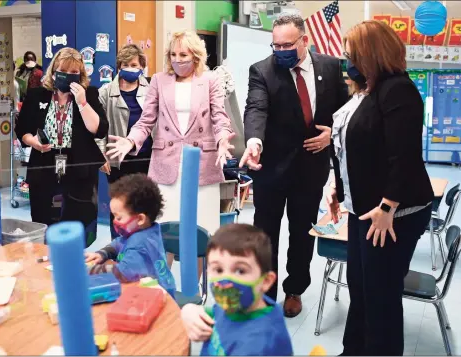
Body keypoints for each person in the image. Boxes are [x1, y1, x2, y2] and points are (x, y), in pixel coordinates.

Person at [325, 20, 434, 356]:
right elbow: (351, 147)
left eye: (351, 55)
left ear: (371, 54)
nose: (347, 62)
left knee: (381, 296)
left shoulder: (397, 89)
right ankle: (353, 350)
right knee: (361, 287)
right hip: (364, 210)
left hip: (393, 214)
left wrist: (388, 208)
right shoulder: (366, 92)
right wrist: (337, 188)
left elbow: (404, 157)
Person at [239, 14, 347, 317]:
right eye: (276, 45)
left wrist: (332, 136)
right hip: (270, 169)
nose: (281, 49)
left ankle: (294, 289)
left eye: (288, 44)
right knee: (265, 235)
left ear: (305, 40)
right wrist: (254, 142)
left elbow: (344, 111)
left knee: (302, 234)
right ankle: (266, 294)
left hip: (311, 168)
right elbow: (256, 108)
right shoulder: (262, 70)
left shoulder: (330, 67)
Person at [106, 30, 235, 280]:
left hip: (202, 165)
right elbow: (146, 120)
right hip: (166, 167)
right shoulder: (158, 81)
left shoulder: (210, 80)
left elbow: (220, 117)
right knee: (164, 233)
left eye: (183, 54)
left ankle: (194, 290)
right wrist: (131, 140)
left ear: (196, 56)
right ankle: (163, 286)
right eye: (173, 54)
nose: (177, 59)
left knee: (200, 234)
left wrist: (222, 139)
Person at [15, 47, 108, 246]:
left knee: (78, 229)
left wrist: (82, 103)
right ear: (54, 71)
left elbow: (99, 129)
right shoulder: (37, 95)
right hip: (44, 166)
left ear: (81, 74)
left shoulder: (89, 94)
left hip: (79, 170)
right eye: (63, 70)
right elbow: (22, 128)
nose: (68, 76)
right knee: (45, 225)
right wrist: (34, 142)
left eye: (74, 72)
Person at [181, 223, 293, 356]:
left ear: (266, 281)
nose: (226, 280)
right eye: (218, 270)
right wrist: (188, 310)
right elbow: (218, 313)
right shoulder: (242, 303)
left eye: (240, 270)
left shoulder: (258, 345)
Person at [85, 173, 176, 297]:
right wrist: (102, 254)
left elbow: (121, 273)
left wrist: (87, 271)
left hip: (156, 297)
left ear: (140, 219)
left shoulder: (139, 245)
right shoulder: (145, 230)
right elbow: (117, 243)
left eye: (119, 217)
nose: (114, 221)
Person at [96, 44, 151, 239]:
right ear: (119, 66)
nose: (130, 68)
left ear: (141, 66)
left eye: (134, 64)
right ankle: (118, 247)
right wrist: (100, 155)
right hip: (117, 161)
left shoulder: (152, 89)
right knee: (119, 208)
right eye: (125, 64)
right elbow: (98, 127)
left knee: (142, 207)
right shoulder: (105, 92)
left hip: (145, 158)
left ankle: (141, 247)